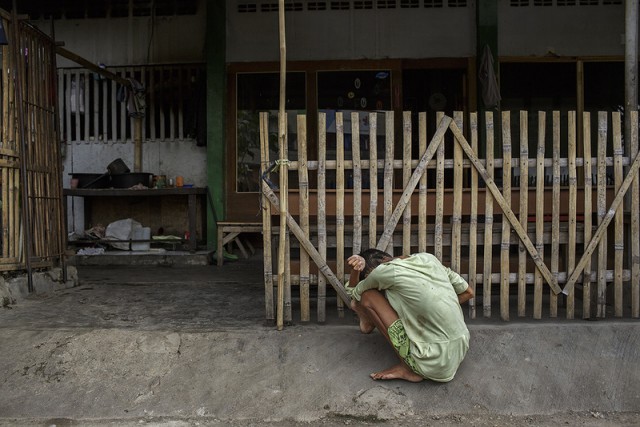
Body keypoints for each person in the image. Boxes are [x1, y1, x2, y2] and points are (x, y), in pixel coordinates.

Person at [346, 249, 473, 383]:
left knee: (366, 296)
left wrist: (355, 270)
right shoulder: (429, 258)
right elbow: (468, 292)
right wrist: (428, 312)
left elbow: (353, 292)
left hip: (431, 362)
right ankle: (368, 321)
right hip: (460, 349)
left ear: (371, 272)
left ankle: (408, 368)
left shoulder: (384, 271)